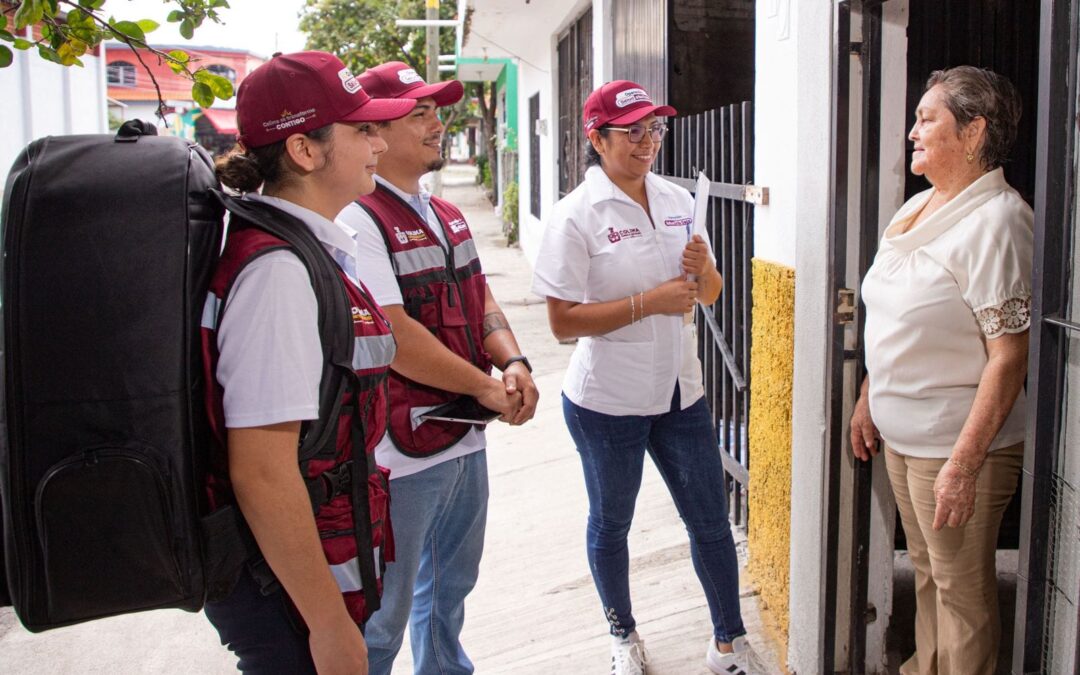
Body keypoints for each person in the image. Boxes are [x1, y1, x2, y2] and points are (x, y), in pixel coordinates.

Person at [531, 80, 761, 675]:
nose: (646, 142)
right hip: (607, 402)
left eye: (654, 129)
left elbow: (706, 295)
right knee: (612, 522)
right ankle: (623, 635)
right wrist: (649, 302)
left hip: (681, 392)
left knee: (710, 521)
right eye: (631, 131)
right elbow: (560, 324)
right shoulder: (575, 216)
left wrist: (705, 269)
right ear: (596, 138)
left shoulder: (675, 199)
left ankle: (729, 645)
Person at [200, 51, 416, 674]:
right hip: (285, 598)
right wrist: (326, 625)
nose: (379, 141)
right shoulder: (278, 273)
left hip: (311, 571)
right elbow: (263, 470)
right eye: (362, 130)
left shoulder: (303, 250)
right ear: (304, 150)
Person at [335, 61, 539, 675]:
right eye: (417, 112)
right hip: (398, 457)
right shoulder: (358, 218)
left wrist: (515, 362)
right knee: (383, 621)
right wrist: (487, 388)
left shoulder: (445, 213)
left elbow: (481, 301)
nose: (436, 122)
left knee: (448, 598)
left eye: (435, 109)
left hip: (462, 440)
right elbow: (393, 333)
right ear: (374, 128)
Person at [850, 66, 1031, 675]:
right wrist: (871, 394)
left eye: (928, 118)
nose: (912, 131)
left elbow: (1008, 357)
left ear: (974, 131)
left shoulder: (998, 222)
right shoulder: (921, 205)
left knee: (963, 596)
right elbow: (897, 316)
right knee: (928, 573)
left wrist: (962, 465)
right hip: (907, 439)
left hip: (956, 449)